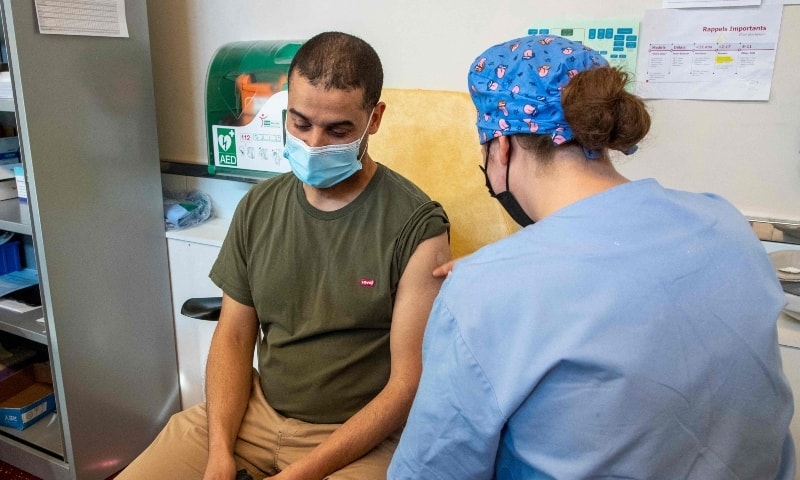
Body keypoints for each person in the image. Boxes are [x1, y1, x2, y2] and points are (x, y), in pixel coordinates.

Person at [388, 34, 795, 479]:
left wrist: (491, 284)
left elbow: (433, 470)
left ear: (499, 147)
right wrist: (501, 273)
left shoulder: (486, 293)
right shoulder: (723, 222)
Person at [118, 31, 450, 480]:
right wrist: (219, 453)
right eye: (300, 122)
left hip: (356, 437)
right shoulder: (259, 206)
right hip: (253, 415)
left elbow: (407, 384)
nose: (314, 144)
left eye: (338, 130)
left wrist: (299, 473)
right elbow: (234, 336)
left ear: (374, 119)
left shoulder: (418, 226)